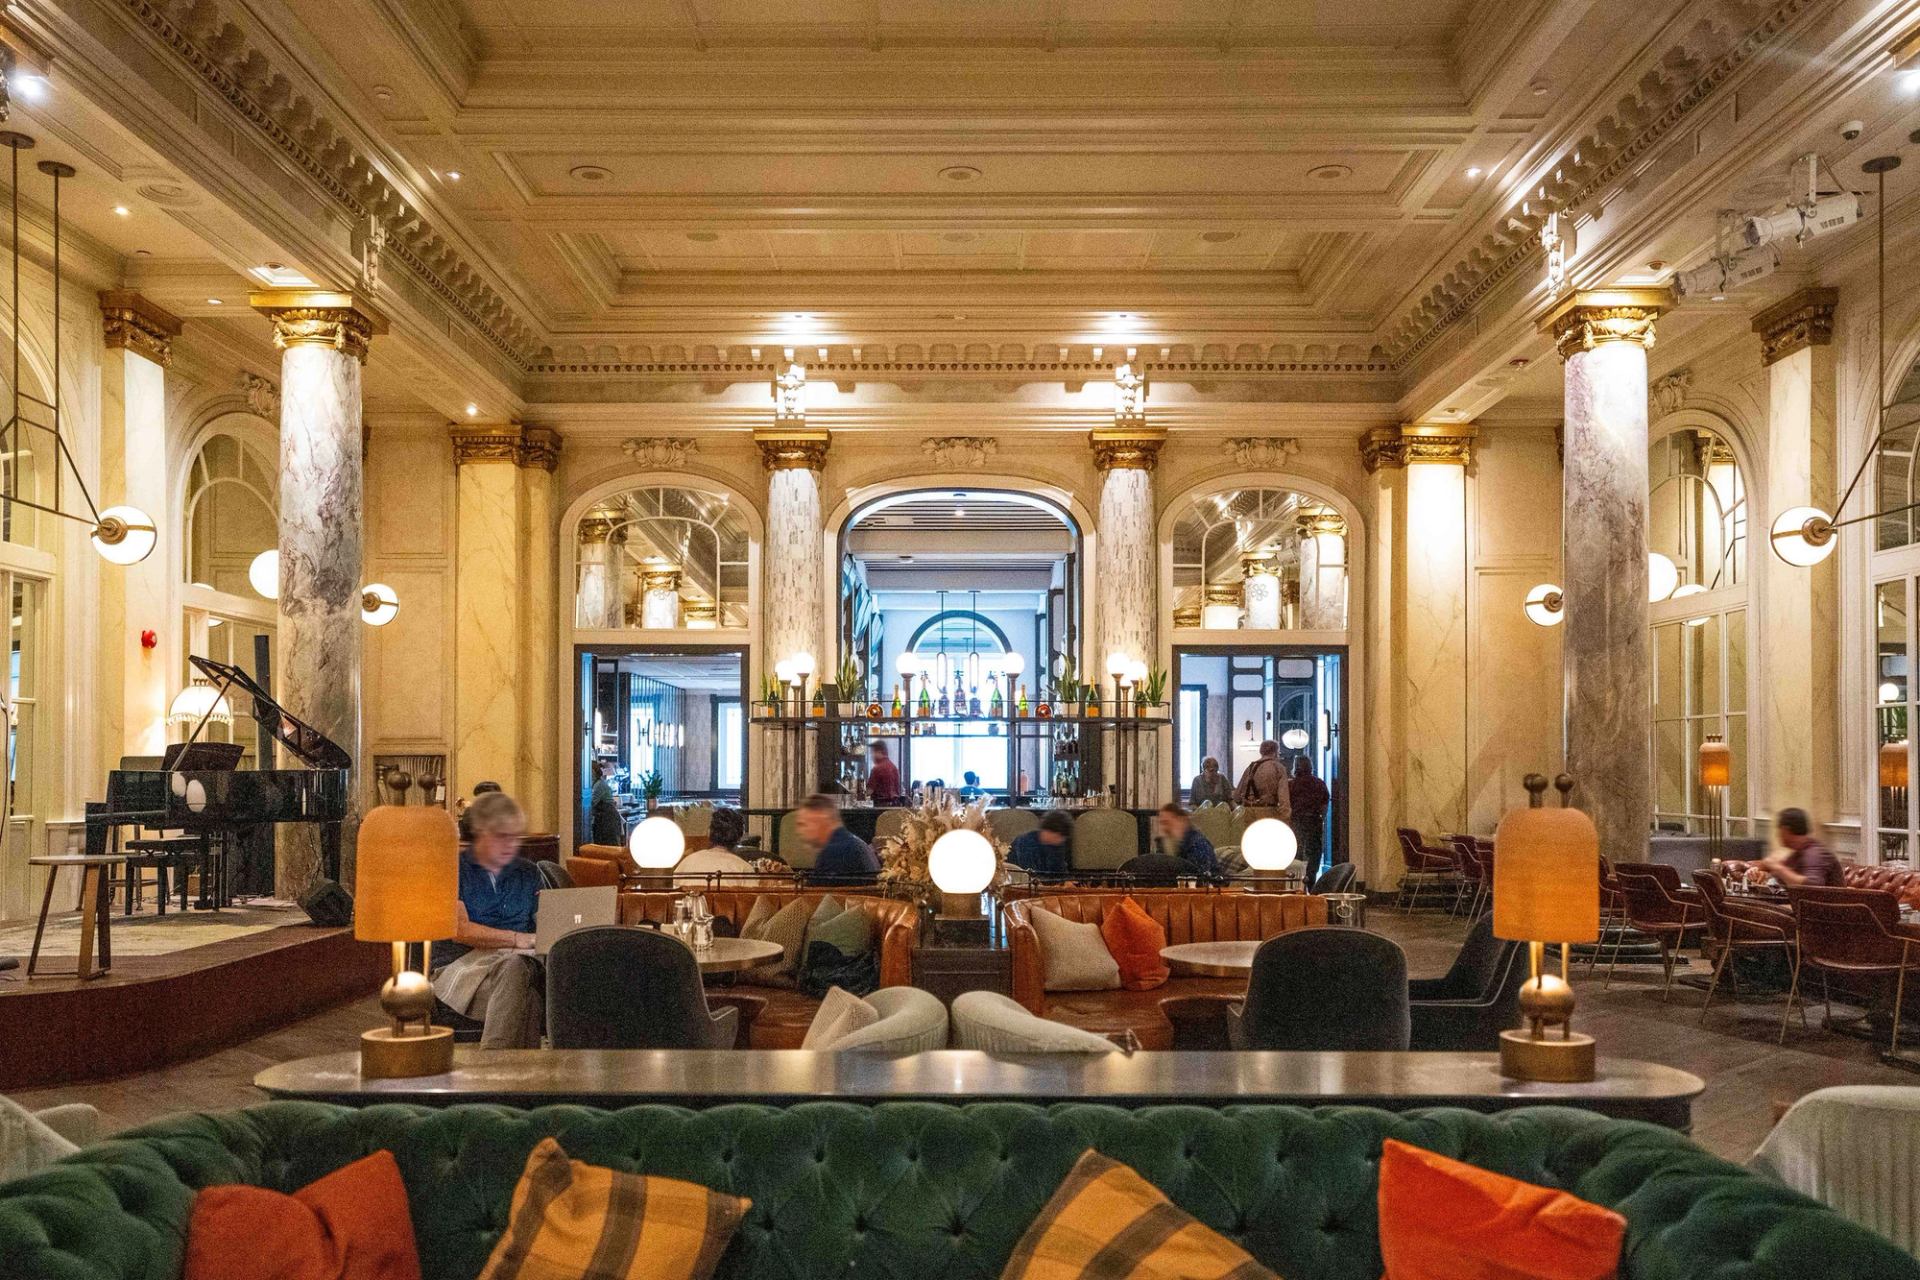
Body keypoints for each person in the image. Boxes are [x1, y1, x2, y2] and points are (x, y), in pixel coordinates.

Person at [431, 791, 544, 1049]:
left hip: (519, 964)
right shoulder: (453, 870)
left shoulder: (528, 872)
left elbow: (545, 922)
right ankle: (498, 1063)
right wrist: (517, 938)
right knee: (526, 990)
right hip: (463, 966)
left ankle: (504, 1074)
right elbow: (459, 930)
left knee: (523, 974)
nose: (509, 844)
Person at [796, 794, 879, 884]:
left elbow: (814, 895)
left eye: (803, 824)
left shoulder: (834, 851)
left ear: (821, 818)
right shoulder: (851, 842)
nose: (798, 831)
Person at [673, 806, 757, 886]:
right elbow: (754, 899)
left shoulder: (687, 862)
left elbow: (674, 889)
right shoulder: (743, 868)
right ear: (739, 838)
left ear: (709, 833)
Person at [1763, 808, 1845, 888]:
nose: (1777, 835)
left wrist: (1778, 868)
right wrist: (1761, 875)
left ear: (1785, 830)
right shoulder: (1799, 851)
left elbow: (1812, 887)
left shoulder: (1814, 854)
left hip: (1825, 901)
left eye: (1778, 829)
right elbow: (1781, 879)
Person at [1288, 757, 1332, 887]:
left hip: (1296, 820)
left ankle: (1296, 881)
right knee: (1314, 851)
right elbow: (1324, 804)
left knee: (1297, 850)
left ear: (1296, 767)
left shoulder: (1291, 784)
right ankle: (1311, 879)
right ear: (1310, 766)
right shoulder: (1319, 783)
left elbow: (1287, 804)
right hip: (1313, 819)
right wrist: (1321, 819)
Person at [1233, 741, 1292, 825]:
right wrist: (1285, 818)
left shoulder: (1250, 767)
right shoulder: (1278, 767)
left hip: (1247, 812)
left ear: (1261, 751)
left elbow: (1236, 796)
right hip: (1267, 811)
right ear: (1275, 752)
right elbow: (1283, 796)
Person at [1154, 803, 1218, 878]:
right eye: (1161, 823)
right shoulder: (1165, 843)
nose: (1164, 828)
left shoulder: (1197, 843)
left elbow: (1198, 875)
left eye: (1167, 823)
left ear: (1181, 821)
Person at [1007, 809, 1074, 878]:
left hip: (1044, 884)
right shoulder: (1025, 842)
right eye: (1058, 836)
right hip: (1017, 882)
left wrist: (1066, 881)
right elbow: (1030, 874)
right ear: (1047, 831)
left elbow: (1060, 871)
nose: (1061, 840)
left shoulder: (1057, 845)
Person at [587, 758, 625, 846]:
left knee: (608, 846)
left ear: (594, 772)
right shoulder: (598, 783)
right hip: (604, 818)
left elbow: (592, 803)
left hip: (607, 819)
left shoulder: (599, 785)